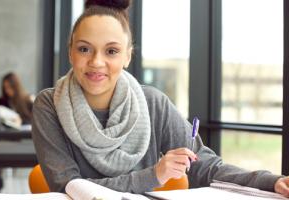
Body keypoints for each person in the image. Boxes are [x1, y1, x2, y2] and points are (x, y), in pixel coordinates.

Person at [31, 0, 289, 197]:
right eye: (84, 49)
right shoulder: (49, 105)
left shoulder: (153, 102)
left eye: (111, 51)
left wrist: (271, 181)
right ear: (70, 52)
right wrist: (154, 175)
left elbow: (206, 167)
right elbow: (70, 188)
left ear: (128, 56)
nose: (96, 62)